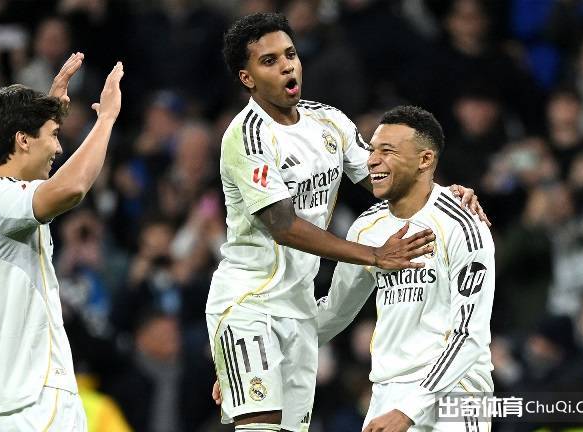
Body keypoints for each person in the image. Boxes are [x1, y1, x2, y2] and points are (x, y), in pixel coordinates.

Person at [206, 13, 488, 432]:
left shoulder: (330, 122)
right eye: (269, 61)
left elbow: (387, 176)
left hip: (301, 309)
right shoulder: (247, 137)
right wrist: (374, 255)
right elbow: (282, 225)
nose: (287, 66)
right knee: (261, 423)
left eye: (290, 54)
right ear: (247, 78)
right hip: (249, 301)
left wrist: (445, 195)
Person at [0, 52, 123, 430]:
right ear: (23, 141)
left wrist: (49, 108)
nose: (58, 148)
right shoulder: (2, 202)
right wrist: (106, 119)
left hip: (3, 396)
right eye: (54, 136)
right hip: (38, 395)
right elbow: (72, 188)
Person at [317, 106, 495, 432]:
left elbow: (470, 334)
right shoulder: (367, 229)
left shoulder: (462, 223)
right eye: (372, 150)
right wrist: (264, 363)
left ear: (424, 160)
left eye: (387, 151)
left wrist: (410, 410)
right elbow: (333, 312)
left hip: (457, 390)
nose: (372, 160)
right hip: (388, 392)